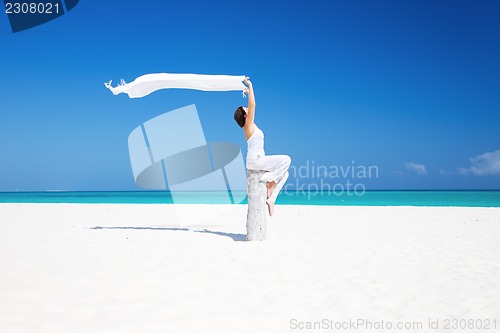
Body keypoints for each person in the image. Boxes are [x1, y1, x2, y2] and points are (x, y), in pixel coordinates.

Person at [234, 77, 291, 216]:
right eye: (245, 108)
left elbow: (251, 106)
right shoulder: (248, 125)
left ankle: (271, 199)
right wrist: (250, 86)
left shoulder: (251, 126)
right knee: (286, 160)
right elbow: (253, 104)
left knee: (285, 173)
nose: (247, 107)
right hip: (255, 161)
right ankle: (270, 181)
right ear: (245, 115)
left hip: (258, 160)